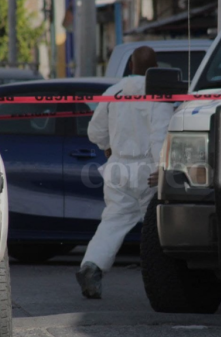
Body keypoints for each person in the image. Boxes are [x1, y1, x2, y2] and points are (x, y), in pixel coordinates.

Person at [76, 46, 175, 299]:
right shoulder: (158, 95)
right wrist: (162, 168)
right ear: (155, 68)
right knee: (159, 229)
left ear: (130, 66)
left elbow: (95, 133)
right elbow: (159, 136)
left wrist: (109, 147)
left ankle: (91, 265)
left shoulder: (113, 92)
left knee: (113, 222)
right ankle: (171, 279)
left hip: (118, 169)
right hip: (147, 171)